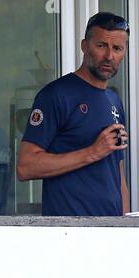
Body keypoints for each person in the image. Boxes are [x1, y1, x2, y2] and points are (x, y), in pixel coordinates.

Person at [17, 12, 130, 216]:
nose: (109, 56)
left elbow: (118, 175)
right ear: (84, 46)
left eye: (117, 48)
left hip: (111, 234)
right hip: (69, 234)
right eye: (101, 45)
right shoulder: (55, 95)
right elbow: (26, 166)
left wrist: (127, 227)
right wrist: (92, 152)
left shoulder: (115, 101)